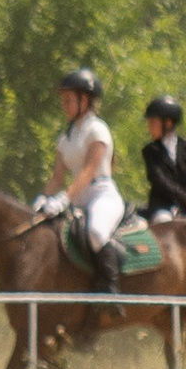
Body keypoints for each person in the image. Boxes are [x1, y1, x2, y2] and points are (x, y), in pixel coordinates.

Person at [35, 68, 128, 295]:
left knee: (96, 233)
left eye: (68, 100)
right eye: (63, 100)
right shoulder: (65, 137)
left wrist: (63, 200)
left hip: (101, 195)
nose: (63, 105)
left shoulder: (97, 130)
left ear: (83, 100)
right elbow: (57, 177)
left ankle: (110, 291)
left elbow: (88, 172)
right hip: (77, 199)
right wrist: (43, 198)